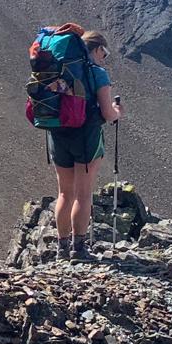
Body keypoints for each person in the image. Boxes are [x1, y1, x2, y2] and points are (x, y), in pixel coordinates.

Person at [49, 29, 123, 261]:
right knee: (83, 195)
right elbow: (107, 113)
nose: (105, 57)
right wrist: (118, 111)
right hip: (86, 136)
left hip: (58, 134)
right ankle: (78, 249)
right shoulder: (97, 73)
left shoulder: (60, 73)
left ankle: (61, 248)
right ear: (97, 49)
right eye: (105, 52)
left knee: (64, 192)